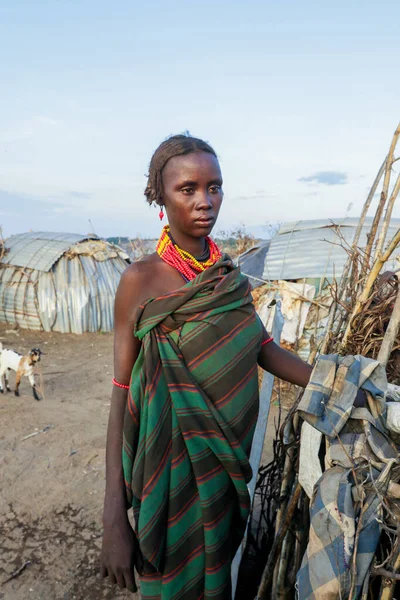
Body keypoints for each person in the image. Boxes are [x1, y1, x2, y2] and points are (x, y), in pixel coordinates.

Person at [100, 134, 364, 600]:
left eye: (215, 187)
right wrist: (113, 518)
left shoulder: (228, 276)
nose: (205, 201)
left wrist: (333, 380)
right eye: (188, 189)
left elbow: (262, 345)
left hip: (225, 469)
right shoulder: (139, 281)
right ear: (159, 195)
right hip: (170, 473)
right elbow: (122, 390)